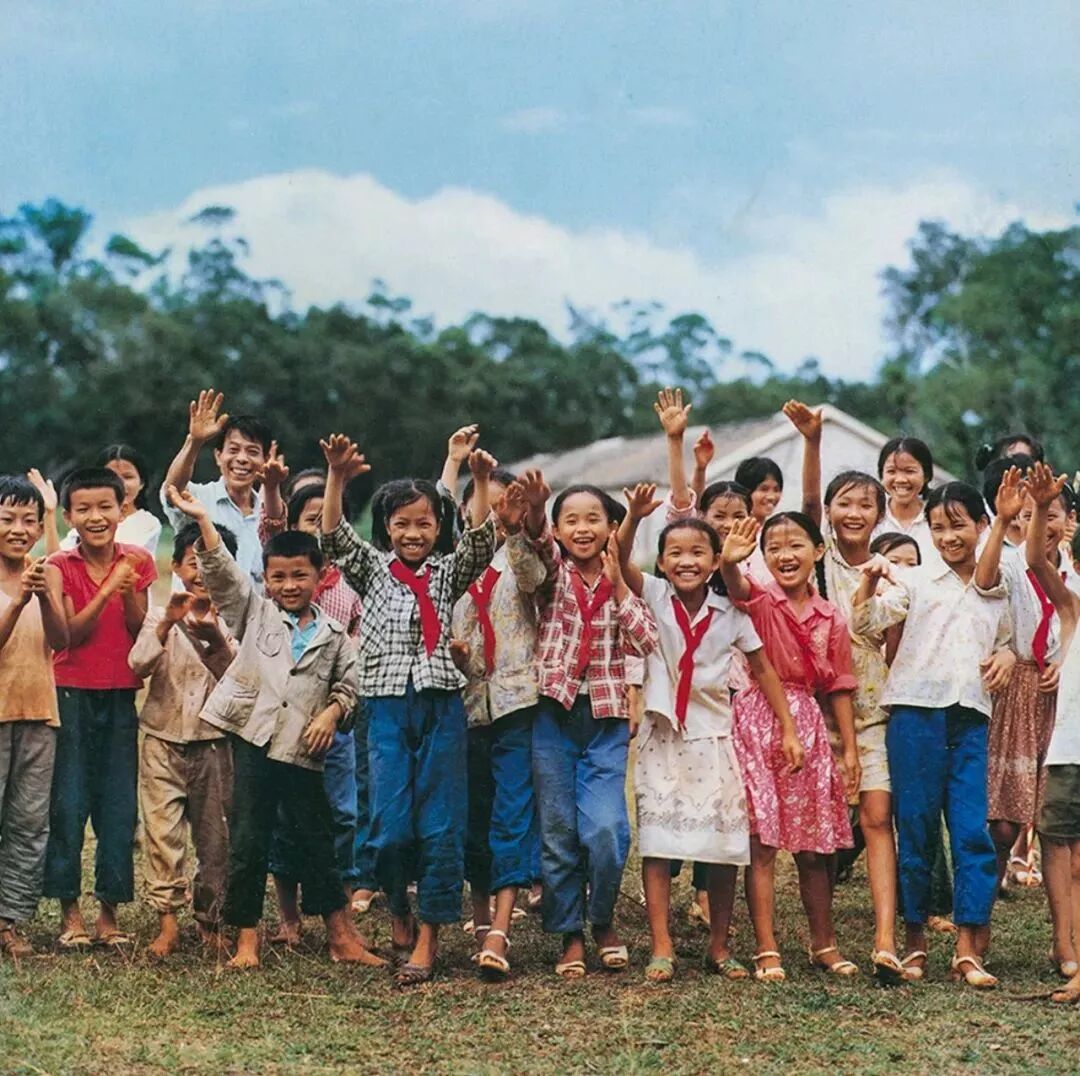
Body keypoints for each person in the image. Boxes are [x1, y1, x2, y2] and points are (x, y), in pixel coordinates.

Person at [167, 484, 381, 971]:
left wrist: (332, 712)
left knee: (318, 841)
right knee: (249, 841)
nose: (288, 585)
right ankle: (247, 940)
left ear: (319, 577)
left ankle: (341, 936)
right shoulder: (255, 612)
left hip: (303, 750)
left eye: (299, 575)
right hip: (254, 743)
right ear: (265, 579)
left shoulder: (334, 635)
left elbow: (351, 686)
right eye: (278, 576)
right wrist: (203, 522)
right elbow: (223, 576)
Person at [318, 434, 497, 986]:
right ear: (387, 528)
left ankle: (428, 938)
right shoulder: (373, 570)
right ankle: (398, 904)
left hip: (440, 704)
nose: (413, 534)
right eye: (402, 524)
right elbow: (333, 536)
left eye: (424, 524)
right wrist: (336, 477)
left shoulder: (447, 572)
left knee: (441, 824)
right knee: (389, 826)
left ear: (438, 528)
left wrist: (480, 481)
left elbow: (481, 545)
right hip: (387, 707)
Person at [618, 493, 803, 984]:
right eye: (675, 553)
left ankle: (719, 946)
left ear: (715, 559)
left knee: (724, 847)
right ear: (661, 562)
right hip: (663, 736)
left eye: (698, 552)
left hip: (715, 737)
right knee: (658, 843)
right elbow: (620, 560)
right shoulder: (654, 595)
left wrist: (788, 728)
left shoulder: (731, 614)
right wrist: (634, 517)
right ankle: (662, 946)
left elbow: (764, 670)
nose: (687, 562)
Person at [785, 400, 910, 982]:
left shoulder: (893, 572)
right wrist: (812, 443)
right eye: (845, 503)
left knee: (878, 817)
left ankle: (885, 940)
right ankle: (823, 938)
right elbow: (807, 506)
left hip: (873, 712)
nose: (853, 512)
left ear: (880, 514)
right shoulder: (821, 562)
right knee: (817, 834)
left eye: (865, 504)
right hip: (816, 715)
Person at [881, 482, 1015, 989]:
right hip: (915, 714)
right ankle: (914, 941)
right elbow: (871, 619)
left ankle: (966, 949)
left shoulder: (999, 584)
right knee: (915, 830)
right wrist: (869, 586)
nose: (947, 537)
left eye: (958, 525)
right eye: (937, 527)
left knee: (971, 831)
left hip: (970, 717)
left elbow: (1011, 640)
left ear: (981, 526)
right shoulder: (914, 580)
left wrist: (1007, 655)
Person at [524, 474, 658, 979]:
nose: (582, 528)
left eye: (593, 519)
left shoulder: (624, 581)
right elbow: (537, 543)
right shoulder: (551, 575)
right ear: (559, 530)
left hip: (605, 721)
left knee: (607, 830)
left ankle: (601, 918)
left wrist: (619, 584)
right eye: (571, 520)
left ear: (610, 527)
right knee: (558, 832)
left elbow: (645, 640)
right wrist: (536, 510)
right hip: (553, 716)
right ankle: (570, 933)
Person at [720, 513, 860, 982]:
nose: (785, 555)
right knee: (761, 842)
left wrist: (849, 750)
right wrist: (729, 562)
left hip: (809, 726)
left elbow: (840, 685)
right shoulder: (760, 600)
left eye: (795, 544)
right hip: (757, 720)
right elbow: (736, 586)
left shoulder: (831, 617)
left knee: (815, 848)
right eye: (773, 547)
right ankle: (766, 947)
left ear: (818, 551)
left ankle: (824, 943)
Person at [43, 468, 157, 949]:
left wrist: (127, 594)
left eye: (105, 507)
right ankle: (70, 912)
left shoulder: (139, 561)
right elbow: (68, 635)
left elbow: (139, 630)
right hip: (70, 693)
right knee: (68, 803)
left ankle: (109, 913)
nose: (96, 517)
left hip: (120, 693)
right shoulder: (58, 566)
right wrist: (109, 588)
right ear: (68, 517)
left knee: (117, 805)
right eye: (84, 509)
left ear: (121, 510)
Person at [128, 522, 238, 958]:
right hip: (162, 739)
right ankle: (167, 922)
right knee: (162, 835)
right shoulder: (160, 616)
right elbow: (138, 665)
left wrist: (216, 640)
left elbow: (240, 681)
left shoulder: (235, 621)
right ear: (175, 566)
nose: (201, 573)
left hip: (215, 744)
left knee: (216, 838)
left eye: (212, 564)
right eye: (193, 563)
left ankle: (211, 919)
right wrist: (167, 625)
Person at [450, 470, 543, 979]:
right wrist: (456, 659)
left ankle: (500, 929)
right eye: (482, 507)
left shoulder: (522, 556)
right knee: (474, 812)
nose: (493, 514)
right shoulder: (452, 566)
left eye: (503, 506)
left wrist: (514, 532)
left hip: (515, 701)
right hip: (465, 703)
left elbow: (534, 583)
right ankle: (480, 911)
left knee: (511, 811)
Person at [266, 481, 364, 946]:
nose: (319, 529)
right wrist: (271, 486)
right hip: (282, 729)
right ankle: (288, 917)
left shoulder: (350, 588)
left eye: (328, 521)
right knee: (284, 822)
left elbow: (355, 659)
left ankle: (338, 912)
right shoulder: (272, 597)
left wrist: (335, 710)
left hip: (335, 725)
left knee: (341, 814)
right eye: (311, 519)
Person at [976, 463, 1068, 895]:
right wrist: (1001, 521)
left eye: (1051, 515)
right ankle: (988, 889)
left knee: (1055, 813)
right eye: (1030, 516)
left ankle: (1060, 907)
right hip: (1015, 690)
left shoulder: (1074, 575)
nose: (1041, 526)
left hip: (1060, 698)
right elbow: (985, 582)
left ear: (1069, 520)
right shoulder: (1012, 564)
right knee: (1003, 817)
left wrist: (1066, 663)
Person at [0, 476, 68, 956]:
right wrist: (20, 599)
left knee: (28, 822)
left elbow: (61, 642)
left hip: (40, 713)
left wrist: (43, 596)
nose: (19, 530)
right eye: (7, 519)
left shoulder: (46, 573)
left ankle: (9, 920)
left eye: (30, 520)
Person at [1025, 463, 1080, 1004]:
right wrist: (1042, 507)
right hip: (1069, 752)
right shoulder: (1073, 611)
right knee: (1068, 853)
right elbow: (1037, 562)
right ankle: (1074, 959)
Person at [160, 389, 271, 585]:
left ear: (266, 460)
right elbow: (173, 490)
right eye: (233, 450)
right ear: (218, 456)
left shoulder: (269, 514)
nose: (242, 459)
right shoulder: (198, 498)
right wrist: (195, 442)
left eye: (252, 452)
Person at [58, 445, 162, 557]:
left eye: (128, 477)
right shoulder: (87, 520)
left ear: (141, 483)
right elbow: (56, 560)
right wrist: (49, 513)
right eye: (112, 477)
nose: (121, 484)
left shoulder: (147, 524)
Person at [875, 436, 938, 564]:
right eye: (891, 471)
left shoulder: (938, 517)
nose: (900, 479)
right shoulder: (872, 516)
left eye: (909, 471)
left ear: (926, 475)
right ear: (882, 475)